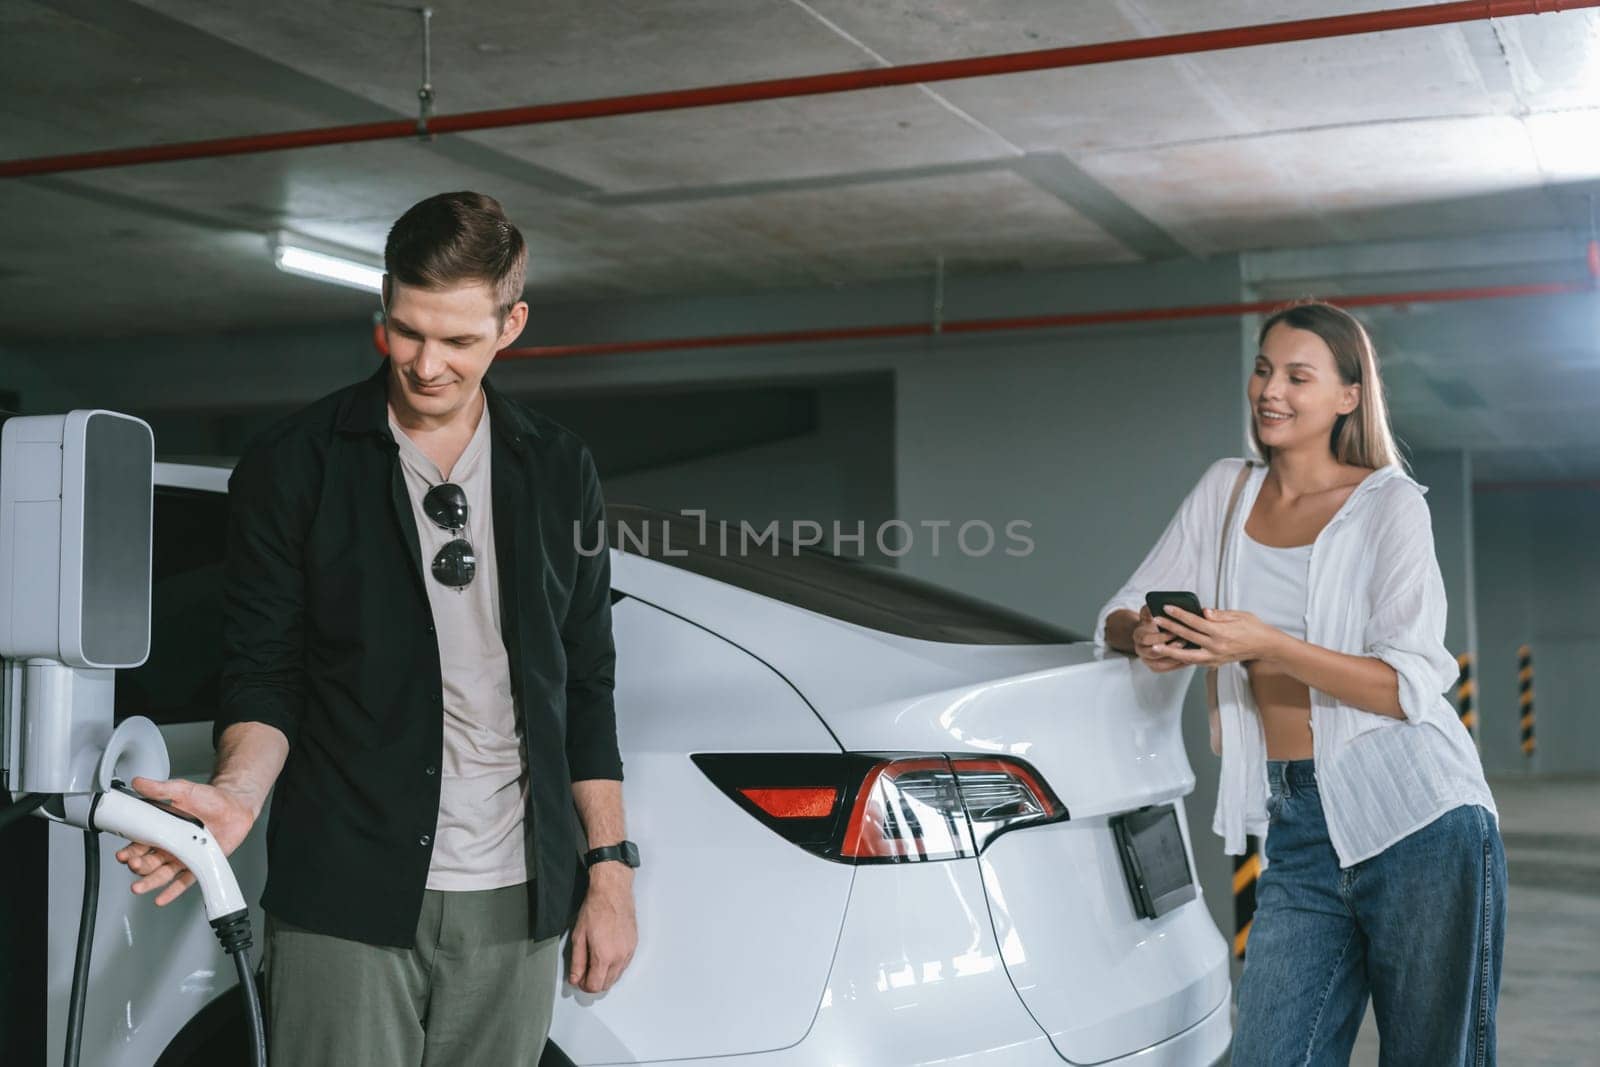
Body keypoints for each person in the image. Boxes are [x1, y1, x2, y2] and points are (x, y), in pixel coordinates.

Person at [112, 191, 638, 1065]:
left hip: (520, 898)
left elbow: (586, 680)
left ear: (512, 324)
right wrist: (240, 793)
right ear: (381, 311)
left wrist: (610, 869)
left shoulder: (556, 467)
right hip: (347, 892)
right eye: (405, 331)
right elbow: (263, 670)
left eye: (459, 340)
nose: (426, 365)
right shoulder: (296, 463)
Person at [1094, 302, 1504, 1065]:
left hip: (1416, 816)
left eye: (1297, 375)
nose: (1270, 390)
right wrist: (1142, 633)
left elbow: (1405, 684)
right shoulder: (1226, 491)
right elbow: (1120, 609)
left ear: (1348, 395)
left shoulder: (1390, 505)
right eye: (1262, 369)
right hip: (1299, 821)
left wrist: (1271, 644)